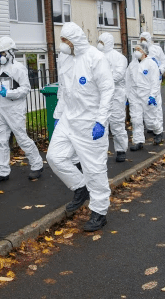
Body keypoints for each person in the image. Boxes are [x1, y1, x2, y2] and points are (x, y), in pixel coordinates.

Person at [46, 23, 115, 232]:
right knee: (54, 157)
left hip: (89, 122)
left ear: (74, 40)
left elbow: (107, 90)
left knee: (94, 169)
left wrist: (101, 121)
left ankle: (99, 212)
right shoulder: (66, 59)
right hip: (69, 119)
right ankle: (80, 187)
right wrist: (58, 115)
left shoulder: (95, 58)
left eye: (65, 41)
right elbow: (63, 90)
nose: (62, 45)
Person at [0, 37, 44, 183]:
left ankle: (37, 165)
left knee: (21, 138)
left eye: (2, 53)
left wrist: (9, 93)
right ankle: (2, 171)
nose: (0, 56)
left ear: (10, 52)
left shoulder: (18, 68)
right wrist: (0, 88)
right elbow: (5, 84)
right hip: (1, 108)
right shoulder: (0, 68)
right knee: (1, 140)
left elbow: (26, 88)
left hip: (14, 109)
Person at [97, 33, 129, 163]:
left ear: (108, 42)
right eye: (98, 41)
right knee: (100, 122)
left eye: (102, 41)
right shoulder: (96, 57)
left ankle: (121, 150)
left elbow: (119, 75)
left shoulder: (119, 58)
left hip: (116, 95)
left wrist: (105, 80)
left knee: (117, 123)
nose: (99, 43)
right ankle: (100, 153)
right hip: (100, 95)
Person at [126, 43, 162, 151]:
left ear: (144, 52)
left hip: (147, 95)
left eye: (139, 49)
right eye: (135, 49)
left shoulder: (151, 64)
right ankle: (138, 141)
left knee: (150, 118)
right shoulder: (132, 65)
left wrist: (152, 96)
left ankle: (158, 132)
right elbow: (127, 81)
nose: (136, 51)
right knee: (136, 119)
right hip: (134, 96)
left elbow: (155, 82)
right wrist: (127, 97)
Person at [139, 32, 165, 144]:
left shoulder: (157, 49)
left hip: (155, 80)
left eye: (144, 38)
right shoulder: (139, 50)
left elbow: (164, 62)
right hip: (144, 82)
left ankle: (158, 129)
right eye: (141, 39)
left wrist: (160, 71)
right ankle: (151, 126)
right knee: (145, 105)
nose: (143, 40)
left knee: (156, 105)